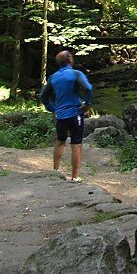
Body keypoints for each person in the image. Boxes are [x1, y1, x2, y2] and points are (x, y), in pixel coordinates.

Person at [39, 50, 93, 182]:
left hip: (61, 116)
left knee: (60, 141)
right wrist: (87, 104)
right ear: (69, 59)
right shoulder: (76, 74)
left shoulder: (53, 77)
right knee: (76, 144)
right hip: (75, 114)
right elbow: (88, 88)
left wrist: (53, 109)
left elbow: (43, 96)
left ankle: (55, 171)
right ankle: (74, 177)